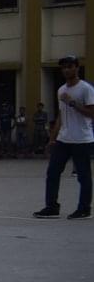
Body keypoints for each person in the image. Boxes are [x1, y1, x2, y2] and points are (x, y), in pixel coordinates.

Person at [33, 55, 94, 220]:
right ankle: (52, 207)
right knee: (53, 172)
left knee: (83, 175)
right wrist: (52, 138)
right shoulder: (61, 90)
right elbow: (61, 115)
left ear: (77, 68)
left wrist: (73, 103)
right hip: (63, 139)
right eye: (64, 67)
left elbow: (91, 113)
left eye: (70, 66)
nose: (66, 70)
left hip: (81, 139)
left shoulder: (86, 89)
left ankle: (84, 209)